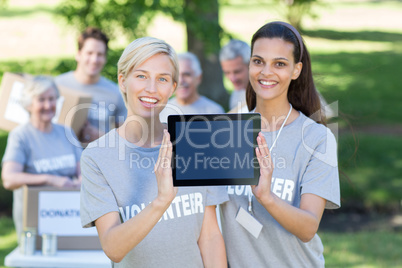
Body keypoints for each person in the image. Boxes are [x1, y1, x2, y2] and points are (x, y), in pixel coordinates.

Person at [80, 37, 228, 267]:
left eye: (162, 79)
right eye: (141, 76)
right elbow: (113, 248)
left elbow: (209, 236)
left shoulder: (196, 142)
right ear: (122, 81)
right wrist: (162, 201)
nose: (151, 88)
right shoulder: (97, 157)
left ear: (173, 88)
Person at [220, 21, 340, 267]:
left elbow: (308, 227)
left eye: (280, 64)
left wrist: (267, 196)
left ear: (296, 70)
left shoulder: (316, 138)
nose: (266, 72)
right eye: (258, 61)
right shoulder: (225, 133)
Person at [1, 76, 82, 242]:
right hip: (34, 221)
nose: (48, 105)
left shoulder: (67, 132)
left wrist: (81, 181)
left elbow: (83, 171)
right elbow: (9, 179)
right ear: (29, 104)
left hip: (69, 217)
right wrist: (50, 179)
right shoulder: (21, 136)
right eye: (41, 100)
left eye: (52, 99)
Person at [55, 27, 126, 144]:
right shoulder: (58, 85)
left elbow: (126, 141)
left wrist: (99, 137)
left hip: (99, 159)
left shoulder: (115, 93)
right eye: (89, 53)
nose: (94, 59)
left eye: (100, 54)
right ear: (78, 54)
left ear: (105, 58)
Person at [159, 52, 224, 123]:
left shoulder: (214, 111)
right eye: (176, 75)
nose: (181, 80)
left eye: (186, 74)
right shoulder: (161, 111)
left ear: (198, 78)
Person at [219, 39, 250, 112]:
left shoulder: (267, 94)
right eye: (227, 72)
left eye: (237, 72)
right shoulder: (236, 95)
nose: (232, 78)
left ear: (251, 65)